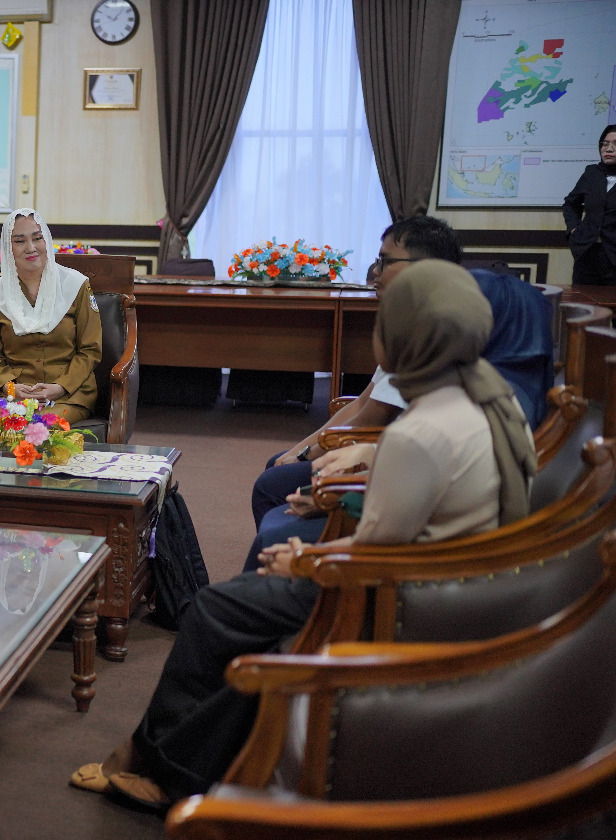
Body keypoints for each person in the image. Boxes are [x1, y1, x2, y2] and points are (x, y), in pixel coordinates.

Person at [70, 260, 536, 811]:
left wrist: (305, 562)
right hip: (443, 588)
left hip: (396, 598)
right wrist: (366, 465)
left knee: (214, 609)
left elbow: (371, 556)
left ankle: (159, 769)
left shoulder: (423, 432)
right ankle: (177, 759)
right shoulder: (489, 399)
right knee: (253, 620)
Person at [242, 215, 552, 570]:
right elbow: (365, 407)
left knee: (229, 590)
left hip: (398, 578)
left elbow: (379, 546)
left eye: (386, 261)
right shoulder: (497, 397)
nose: (375, 272)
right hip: (423, 545)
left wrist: (304, 558)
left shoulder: (428, 385)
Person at [0, 208, 102, 424]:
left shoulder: (75, 285)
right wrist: (11, 387)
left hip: (68, 394)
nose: (31, 248)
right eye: (19, 241)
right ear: (8, 249)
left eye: (37, 238)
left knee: (40, 429)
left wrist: (60, 386)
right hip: (13, 396)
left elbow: (90, 350)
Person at [563, 125, 616, 286]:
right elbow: (571, 203)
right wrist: (574, 229)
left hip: (613, 255)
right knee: (582, 306)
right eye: (605, 143)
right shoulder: (592, 173)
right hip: (587, 252)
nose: (609, 148)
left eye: (615, 144)